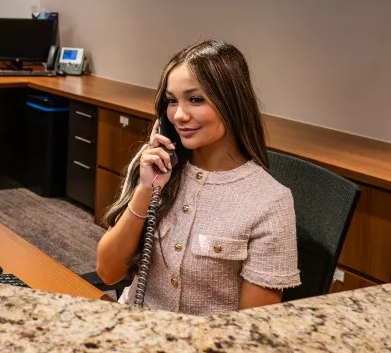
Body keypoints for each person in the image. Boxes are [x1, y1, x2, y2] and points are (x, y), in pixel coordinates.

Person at [95, 40, 300, 315]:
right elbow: (108, 272)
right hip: (135, 332)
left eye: (195, 99)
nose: (179, 115)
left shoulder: (270, 202)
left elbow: (254, 327)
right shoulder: (155, 165)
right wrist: (146, 191)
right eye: (171, 101)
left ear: (231, 103)